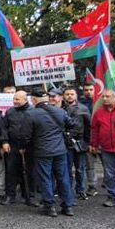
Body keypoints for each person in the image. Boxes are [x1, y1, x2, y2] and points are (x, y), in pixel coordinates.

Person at [28, 89, 76, 217]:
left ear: (34, 99)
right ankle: (68, 206)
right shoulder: (60, 111)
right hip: (60, 150)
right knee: (63, 178)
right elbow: (71, 124)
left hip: (42, 151)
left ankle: (50, 207)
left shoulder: (32, 114)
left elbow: (26, 135)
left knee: (46, 178)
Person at [0, 91, 35, 206]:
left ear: (25, 99)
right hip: (12, 146)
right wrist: (4, 142)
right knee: (11, 171)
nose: (15, 101)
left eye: (17, 99)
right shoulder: (10, 112)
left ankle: (29, 197)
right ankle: (10, 195)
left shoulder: (33, 111)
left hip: (29, 147)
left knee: (30, 172)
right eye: (14, 99)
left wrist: (27, 145)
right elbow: (3, 128)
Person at [62, 87, 92, 199]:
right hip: (66, 143)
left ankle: (80, 190)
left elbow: (89, 126)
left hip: (80, 142)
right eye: (67, 94)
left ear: (76, 95)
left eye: (72, 94)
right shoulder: (60, 108)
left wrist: (87, 142)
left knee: (80, 169)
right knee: (67, 169)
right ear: (64, 96)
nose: (70, 96)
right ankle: (67, 191)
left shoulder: (83, 108)